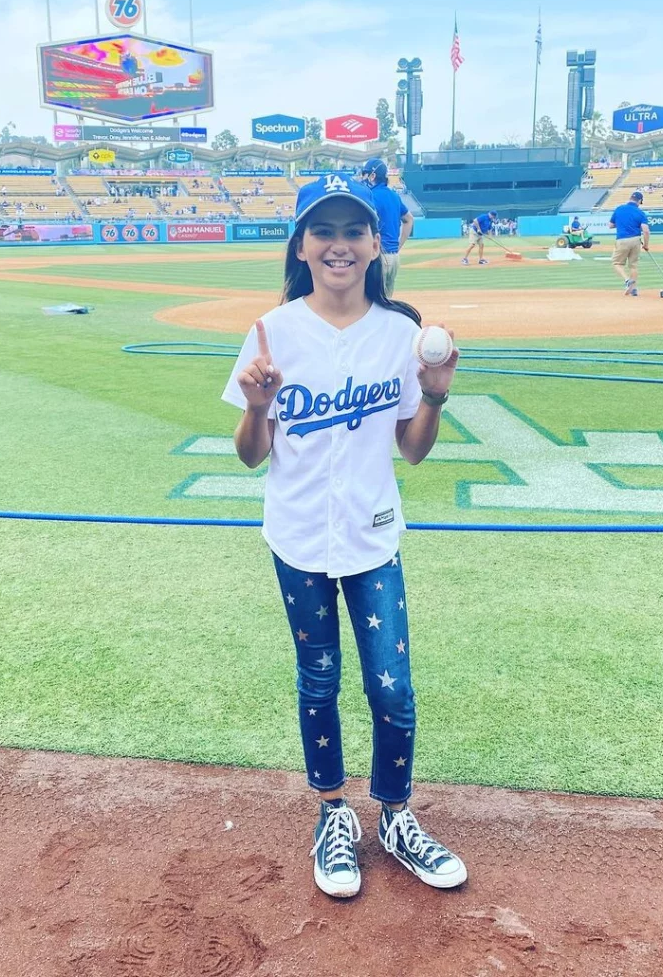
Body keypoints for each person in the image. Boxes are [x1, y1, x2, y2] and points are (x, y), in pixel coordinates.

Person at [222, 174, 467, 900]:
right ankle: (333, 814)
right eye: (323, 231)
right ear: (302, 245)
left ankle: (394, 815)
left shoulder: (400, 334)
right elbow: (249, 455)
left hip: (372, 535)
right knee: (319, 680)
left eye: (353, 231)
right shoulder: (272, 332)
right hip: (296, 535)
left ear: (374, 245)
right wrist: (258, 406)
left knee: (392, 688)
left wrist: (436, 394)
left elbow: (413, 450)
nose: (339, 244)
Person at [359, 158, 413, 295]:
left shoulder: (371, 196)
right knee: (386, 302)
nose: (362, 177)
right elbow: (409, 219)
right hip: (394, 257)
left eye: (365, 174)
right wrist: (398, 246)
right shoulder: (394, 196)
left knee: (370, 302)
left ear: (372, 175)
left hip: (378, 258)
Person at [608, 190, 650, 296]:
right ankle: (634, 288)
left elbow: (610, 225)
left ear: (630, 198)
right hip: (636, 240)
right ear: (639, 201)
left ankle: (627, 280)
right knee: (633, 265)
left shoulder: (619, 209)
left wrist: (622, 223)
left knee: (616, 263)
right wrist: (646, 245)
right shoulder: (640, 213)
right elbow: (646, 230)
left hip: (622, 240)